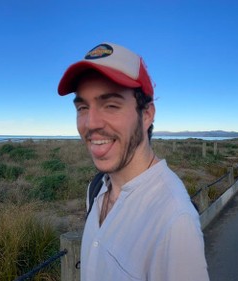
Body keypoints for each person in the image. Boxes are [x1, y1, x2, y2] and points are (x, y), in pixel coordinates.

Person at [56, 42, 209, 280]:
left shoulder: (174, 221)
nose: (91, 123)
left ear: (146, 114)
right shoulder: (96, 189)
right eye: (83, 107)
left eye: (111, 105)